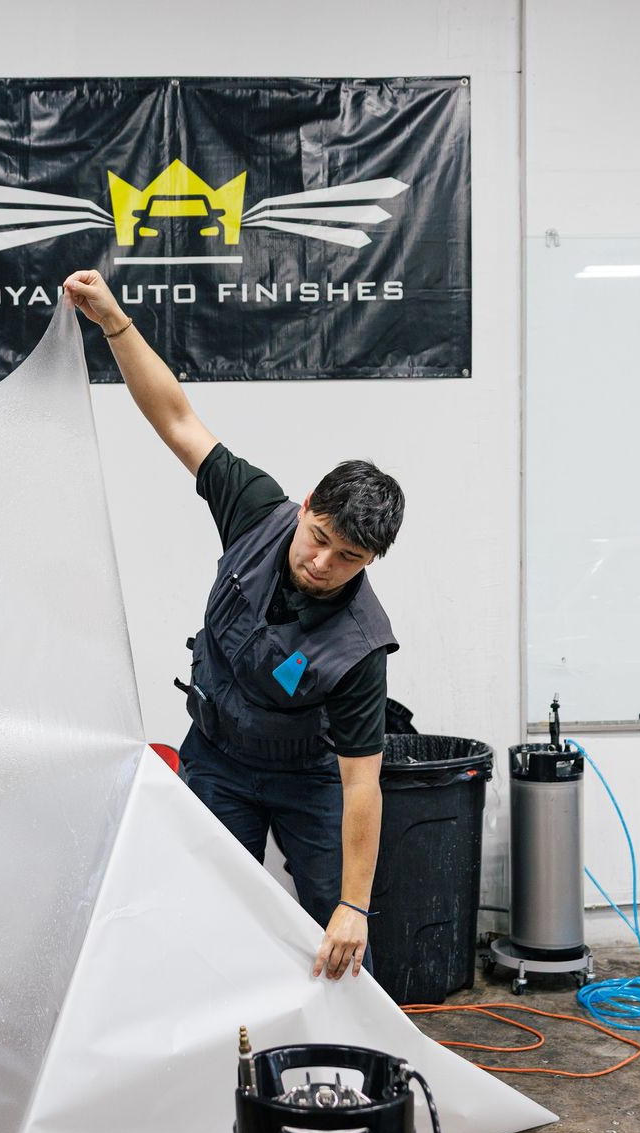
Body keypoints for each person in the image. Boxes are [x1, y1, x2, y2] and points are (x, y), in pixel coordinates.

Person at [63, 270, 405, 982]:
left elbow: (364, 783)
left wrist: (355, 905)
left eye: (350, 558)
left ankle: (346, 1056)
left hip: (307, 778)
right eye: (320, 538)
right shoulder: (254, 508)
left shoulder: (361, 649)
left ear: (371, 559)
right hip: (217, 754)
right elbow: (178, 419)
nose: (323, 563)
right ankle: (217, 1045)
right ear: (307, 503)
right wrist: (116, 326)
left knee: (330, 929)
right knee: (201, 908)